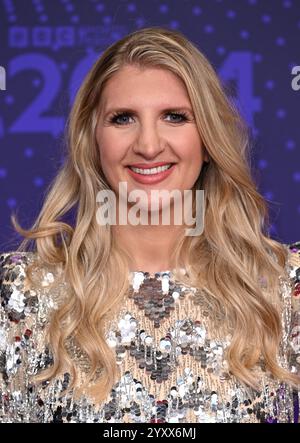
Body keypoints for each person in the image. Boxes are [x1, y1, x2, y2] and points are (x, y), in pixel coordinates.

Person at [0, 26, 299, 424]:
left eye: (175, 117)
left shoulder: (282, 289)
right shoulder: (20, 296)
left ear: (208, 139)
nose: (148, 145)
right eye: (123, 118)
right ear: (93, 140)